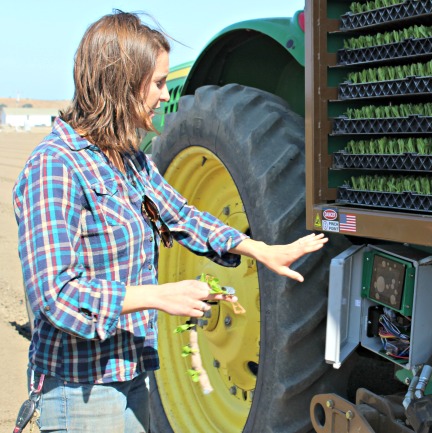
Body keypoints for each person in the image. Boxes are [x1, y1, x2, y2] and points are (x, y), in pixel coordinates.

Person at [12, 10, 327, 433]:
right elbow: (57, 295)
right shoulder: (55, 168)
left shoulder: (129, 163)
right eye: (158, 83)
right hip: (81, 390)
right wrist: (158, 296)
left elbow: (183, 216)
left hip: (130, 374)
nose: (164, 96)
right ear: (122, 83)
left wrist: (259, 248)